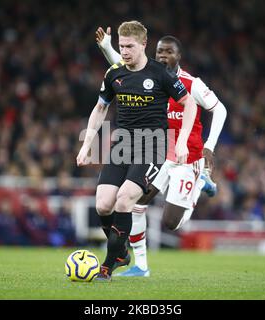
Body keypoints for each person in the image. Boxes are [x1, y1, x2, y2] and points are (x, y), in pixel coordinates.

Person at [96, 27, 227, 276]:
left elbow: (220, 110)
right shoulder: (151, 75)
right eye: (160, 52)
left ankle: (200, 183)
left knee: (170, 222)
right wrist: (107, 47)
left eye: (169, 52)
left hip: (188, 158)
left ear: (179, 56)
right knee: (135, 201)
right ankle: (141, 265)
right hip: (160, 152)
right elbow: (122, 67)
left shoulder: (192, 84)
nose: (163, 56)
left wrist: (209, 146)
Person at [76, 21, 198, 281]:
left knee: (124, 199)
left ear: (144, 44)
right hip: (122, 146)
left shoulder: (160, 74)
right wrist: (87, 144)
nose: (125, 51)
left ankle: (109, 264)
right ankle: (121, 252)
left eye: (130, 46)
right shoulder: (114, 73)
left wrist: (182, 140)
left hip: (153, 146)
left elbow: (189, 105)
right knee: (103, 204)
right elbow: (100, 109)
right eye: (121, 46)